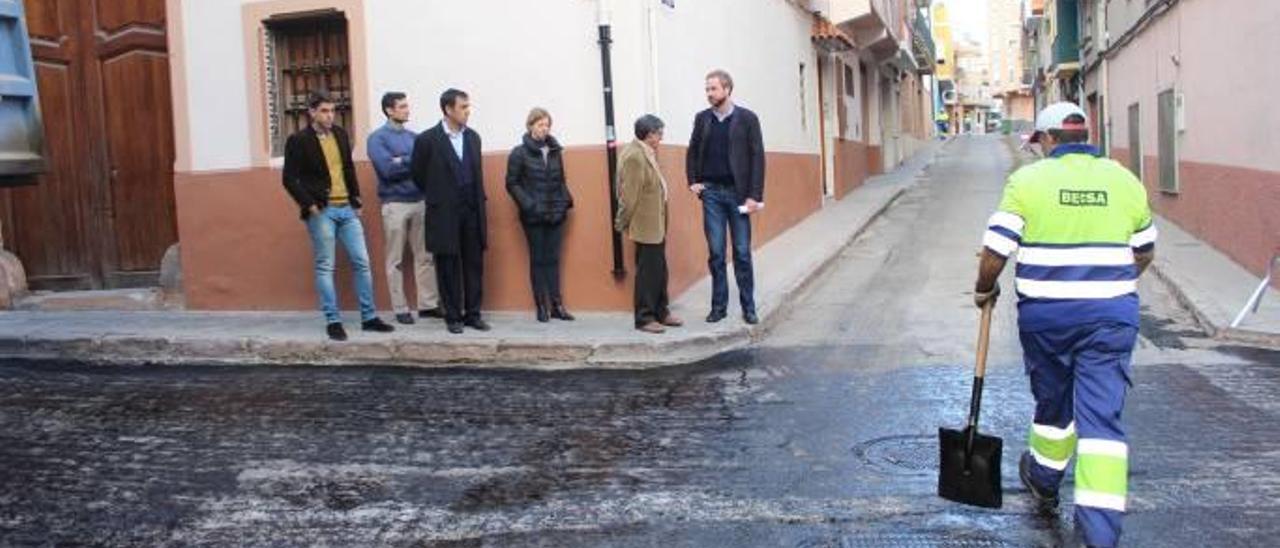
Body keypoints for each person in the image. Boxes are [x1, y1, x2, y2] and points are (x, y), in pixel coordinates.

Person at [974, 102, 1157, 548]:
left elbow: (996, 249)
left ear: (1048, 139)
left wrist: (984, 287)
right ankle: (1099, 534)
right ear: (1085, 137)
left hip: (1047, 320)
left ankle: (1044, 479)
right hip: (1111, 319)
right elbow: (1145, 250)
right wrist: (1109, 285)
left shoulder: (1028, 181)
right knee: (1102, 420)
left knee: (1052, 401)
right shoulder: (1124, 179)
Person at [282, 91, 395, 341]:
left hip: (346, 208)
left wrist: (356, 198)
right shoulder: (299, 140)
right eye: (324, 111)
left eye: (332, 111)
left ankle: (369, 317)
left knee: (362, 261)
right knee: (325, 265)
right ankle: (333, 320)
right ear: (311, 112)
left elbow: (347, 167)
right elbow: (289, 178)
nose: (330, 115)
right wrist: (309, 204)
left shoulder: (341, 135)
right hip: (322, 211)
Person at [686, 69, 766, 325]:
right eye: (707, 89)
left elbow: (758, 158)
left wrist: (754, 195)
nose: (709, 93)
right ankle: (718, 307)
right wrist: (693, 181)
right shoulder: (702, 119)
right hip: (711, 194)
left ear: (728, 89)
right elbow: (692, 151)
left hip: (738, 195)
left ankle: (748, 306)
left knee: (742, 252)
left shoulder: (747, 119)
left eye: (714, 89)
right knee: (717, 253)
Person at [411, 89, 489, 335]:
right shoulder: (427, 140)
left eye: (468, 106)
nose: (468, 111)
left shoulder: (473, 138)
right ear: (448, 109)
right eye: (463, 107)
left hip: (471, 209)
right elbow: (418, 174)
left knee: (473, 264)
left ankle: (473, 314)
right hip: (444, 211)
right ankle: (453, 316)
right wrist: (439, 195)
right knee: (448, 265)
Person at [367, 91, 442, 325]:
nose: (407, 110)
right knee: (395, 259)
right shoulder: (377, 138)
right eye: (402, 106)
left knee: (425, 256)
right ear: (389, 110)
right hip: (394, 203)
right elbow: (387, 171)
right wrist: (411, 160)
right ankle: (400, 308)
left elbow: (426, 166)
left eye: (407, 105)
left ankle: (428, 305)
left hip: (420, 201)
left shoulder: (414, 138)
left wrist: (402, 159)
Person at [615, 115, 683, 334]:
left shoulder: (646, 152)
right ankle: (644, 318)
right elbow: (629, 195)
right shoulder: (634, 156)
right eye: (659, 132)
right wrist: (622, 222)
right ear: (649, 133)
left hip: (656, 224)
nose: (661, 136)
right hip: (645, 225)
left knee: (659, 270)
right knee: (647, 273)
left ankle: (661, 311)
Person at [505, 108, 575, 322]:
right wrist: (529, 205)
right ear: (530, 126)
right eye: (540, 125)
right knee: (538, 260)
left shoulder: (554, 151)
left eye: (547, 125)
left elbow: (561, 180)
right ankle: (541, 307)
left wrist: (565, 202)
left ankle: (557, 305)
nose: (544, 129)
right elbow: (511, 183)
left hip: (555, 213)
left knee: (553, 259)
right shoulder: (519, 153)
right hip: (533, 216)